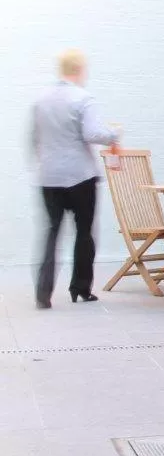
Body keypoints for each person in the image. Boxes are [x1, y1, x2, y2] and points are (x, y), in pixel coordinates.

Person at [30, 49, 120, 309]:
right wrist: (113, 134)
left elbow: (35, 138)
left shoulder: (41, 99)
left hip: (49, 177)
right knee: (83, 232)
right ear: (79, 69)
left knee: (51, 232)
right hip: (80, 176)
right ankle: (80, 288)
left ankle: (43, 292)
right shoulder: (83, 98)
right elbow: (92, 133)